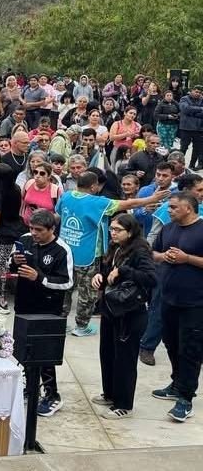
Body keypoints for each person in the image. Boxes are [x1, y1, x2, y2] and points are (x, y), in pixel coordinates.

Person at [56, 171, 167, 337]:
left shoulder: (66, 196)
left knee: (65, 288)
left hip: (65, 252)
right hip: (87, 255)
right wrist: (151, 199)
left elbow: (58, 213)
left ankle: (60, 322)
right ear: (93, 186)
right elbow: (128, 204)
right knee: (87, 292)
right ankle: (81, 326)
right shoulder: (97, 202)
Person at [89, 213, 157, 419]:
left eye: (118, 230)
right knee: (107, 353)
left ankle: (124, 404)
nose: (113, 233)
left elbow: (150, 278)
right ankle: (110, 393)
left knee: (124, 359)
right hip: (111, 308)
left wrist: (123, 271)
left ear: (130, 231)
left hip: (130, 312)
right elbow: (109, 271)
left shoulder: (140, 250)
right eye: (111, 229)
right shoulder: (115, 247)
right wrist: (100, 276)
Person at [12, 209, 74, 417]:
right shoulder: (24, 239)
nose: (34, 233)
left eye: (39, 230)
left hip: (47, 309)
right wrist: (15, 262)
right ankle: (30, 388)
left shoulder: (61, 250)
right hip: (24, 304)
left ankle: (52, 395)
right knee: (23, 350)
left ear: (52, 229)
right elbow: (10, 263)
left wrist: (39, 278)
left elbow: (67, 282)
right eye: (31, 228)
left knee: (45, 355)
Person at [150, 191, 203, 422]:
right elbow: (152, 252)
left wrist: (187, 259)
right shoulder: (168, 228)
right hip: (168, 298)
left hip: (195, 302)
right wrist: (163, 257)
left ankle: (185, 398)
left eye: (172, 207)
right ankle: (177, 382)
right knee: (171, 343)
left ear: (188, 208)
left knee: (190, 349)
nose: (168, 211)